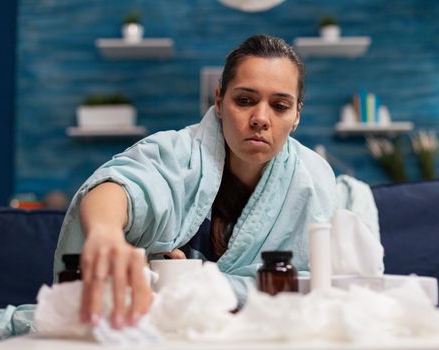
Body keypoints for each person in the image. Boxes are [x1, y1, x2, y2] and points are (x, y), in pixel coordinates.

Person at [54, 34, 337, 330]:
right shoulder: (176, 153)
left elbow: (314, 289)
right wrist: (105, 234)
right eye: (244, 100)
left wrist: (200, 282)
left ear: (296, 116)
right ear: (219, 100)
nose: (260, 118)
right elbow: (121, 185)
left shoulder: (312, 179)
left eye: (280, 106)